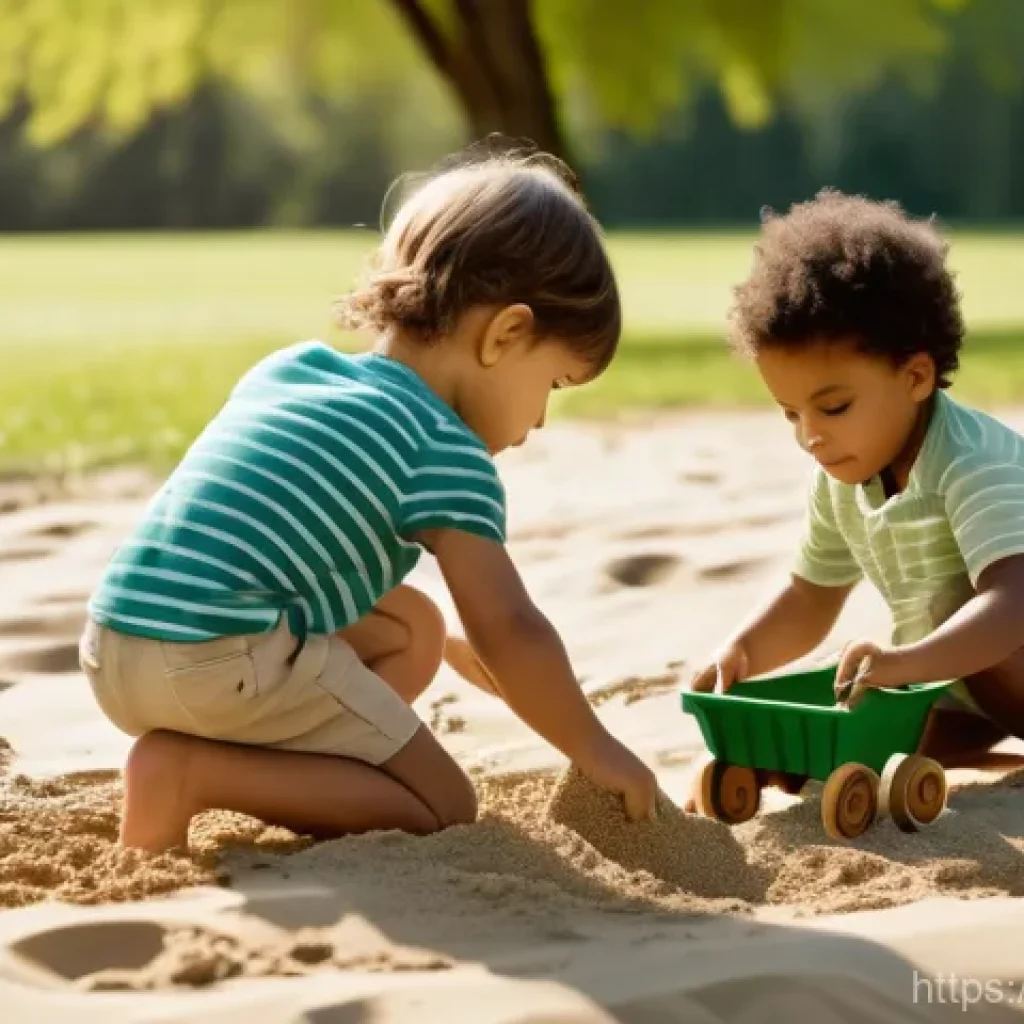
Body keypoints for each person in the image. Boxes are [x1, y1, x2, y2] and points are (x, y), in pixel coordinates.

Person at [79, 144, 658, 853]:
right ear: (507, 334)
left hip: (114, 643)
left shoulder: (292, 369)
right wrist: (596, 748)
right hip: (215, 659)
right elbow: (510, 628)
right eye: (554, 386)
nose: (539, 420)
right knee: (443, 802)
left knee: (414, 630)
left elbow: (254, 531)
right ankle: (190, 773)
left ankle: (300, 761)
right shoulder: (445, 452)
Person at [688, 189, 1024, 773]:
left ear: (916, 376)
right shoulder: (843, 479)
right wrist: (742, 651)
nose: (809, 436)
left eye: (834, 407)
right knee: (856, 755)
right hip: (962, 687)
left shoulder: (974, 464)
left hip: (1001, 654)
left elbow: (1014, 604)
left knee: (954, 648)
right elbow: (809, 596)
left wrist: (907, 660)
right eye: (791, 413)